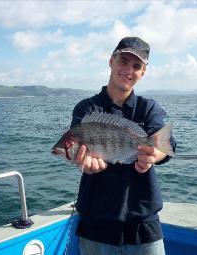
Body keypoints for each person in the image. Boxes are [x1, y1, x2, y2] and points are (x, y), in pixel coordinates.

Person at [70, 37, 177, 255]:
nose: (128, 70)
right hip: (95, 225)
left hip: (143, 224)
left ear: (143, 72)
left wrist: (152, 156)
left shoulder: (148, 108)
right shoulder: (87, 108)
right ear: (111, 61)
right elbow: (76, 146)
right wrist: (80, 160)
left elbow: (167, 144)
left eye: (136, 66)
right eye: (123, 61)